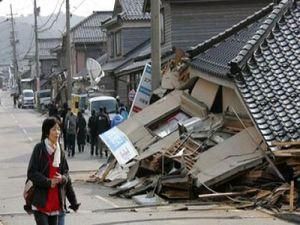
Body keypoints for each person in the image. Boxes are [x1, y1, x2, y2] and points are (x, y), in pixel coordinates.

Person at [26, 117, 70, 225]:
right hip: (41, 201)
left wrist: (62, 178)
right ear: (47, 132)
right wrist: (48, 182)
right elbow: (31, 172)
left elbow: (66, 172)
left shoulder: (60, 151)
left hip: (56, 202)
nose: (57, 132)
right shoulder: (39, 149)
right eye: (54, 129)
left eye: (59, 129)